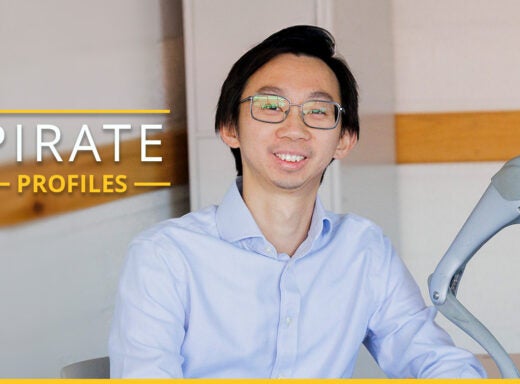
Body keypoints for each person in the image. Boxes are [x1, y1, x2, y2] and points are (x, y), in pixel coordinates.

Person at [108, 25, 485, 378]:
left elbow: (434, 359)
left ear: (345, 140)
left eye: (318, 111)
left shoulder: (364, 251)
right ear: (229, 128)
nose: (294, 128)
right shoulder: (165, 257)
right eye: (271, 106)